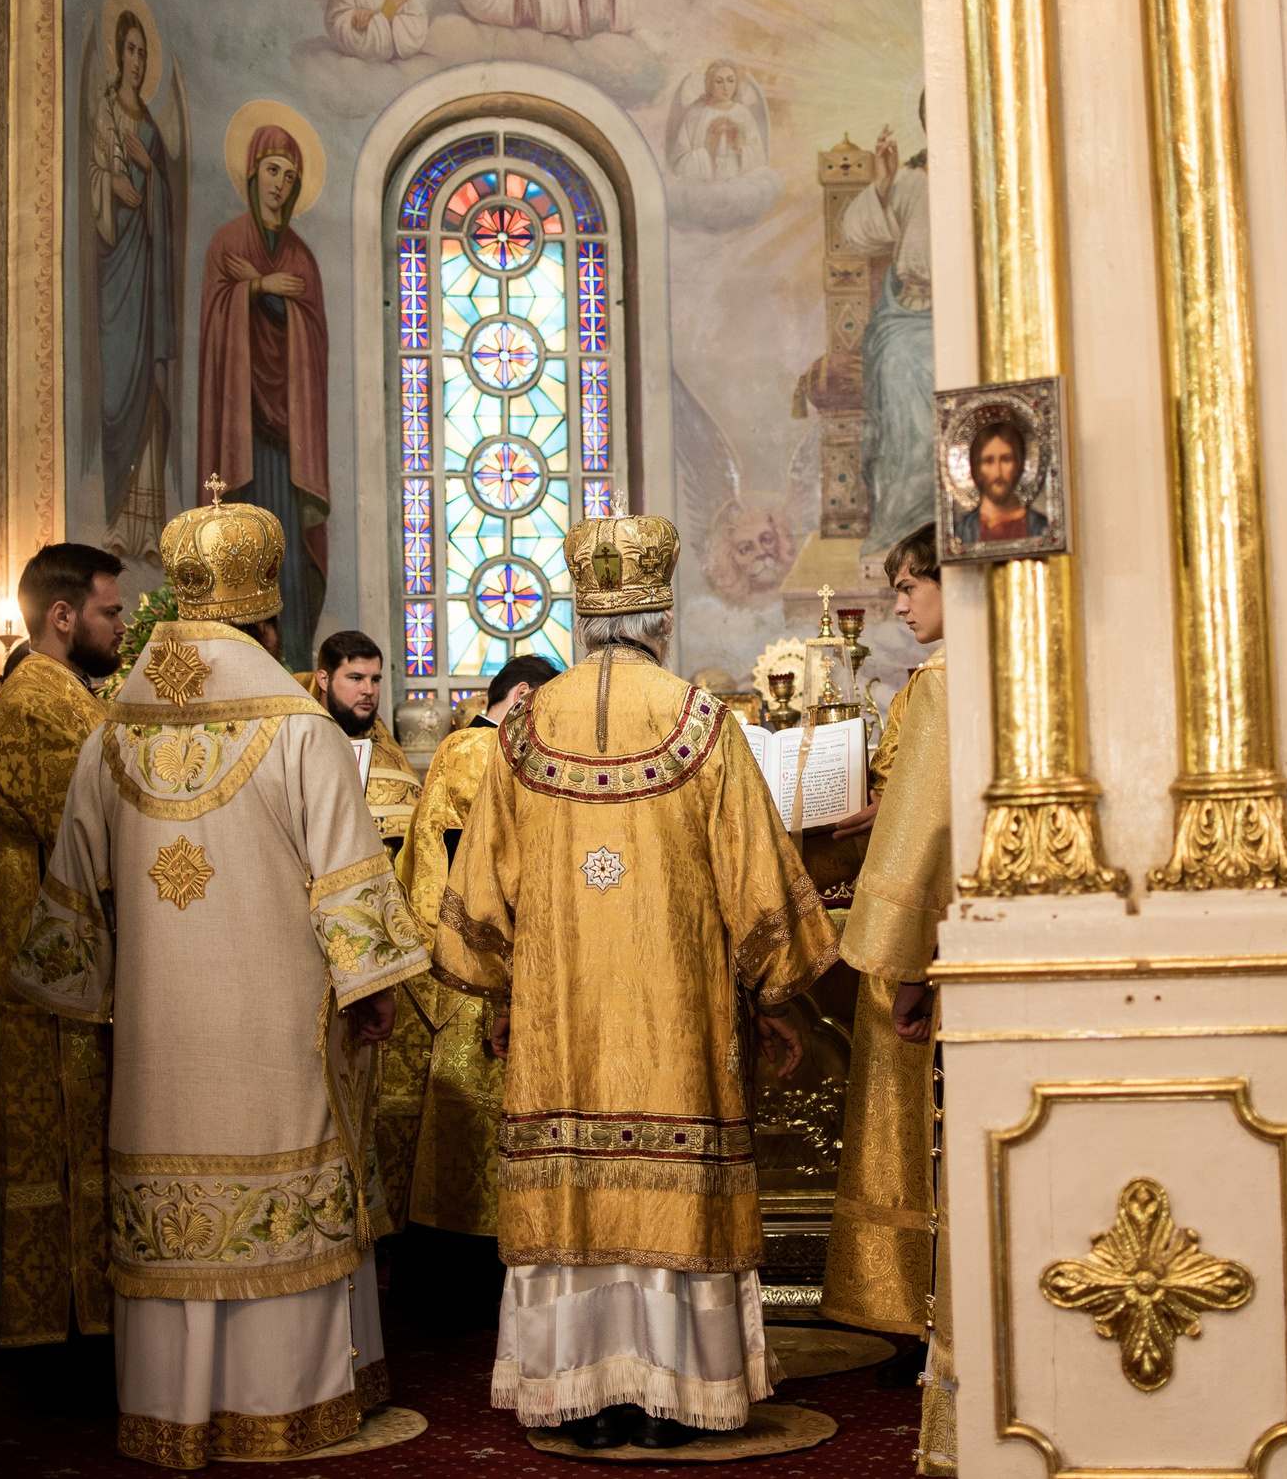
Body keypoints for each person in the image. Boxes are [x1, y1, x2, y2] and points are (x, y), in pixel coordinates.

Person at [10, 489, 428, 1466]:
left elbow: (71, 913)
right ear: (270, 615)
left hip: (158, 1054)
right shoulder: (302, 729)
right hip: (272, 1042)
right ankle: (283, 1402)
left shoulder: (111, 733)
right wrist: (376, 996)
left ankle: (175, 1407)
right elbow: (353, 898)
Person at [437, 515, 838, 1449]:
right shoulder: (703, 721)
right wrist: (777, 996)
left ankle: (582, 1390)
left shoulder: (526, 725)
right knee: (672, 1207)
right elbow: (758, 884)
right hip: (678, 1035)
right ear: (660, 614)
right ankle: (671, 1398)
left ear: (585, 617)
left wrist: (502, 996)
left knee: (577, 1202)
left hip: (562, 1035)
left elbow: (481, 893)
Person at [0, 544, 126, 1365]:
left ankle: (88, 1325)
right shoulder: (40, 704)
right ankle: (66, 1339)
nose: (122, 623)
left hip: (69, 961)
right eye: (110, 610)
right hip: (49, 967)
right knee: (59, 1140)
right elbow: (97, 830)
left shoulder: (68, 696)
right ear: (63, 616)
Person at [820, 526, 956, 1473]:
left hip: (938, 944)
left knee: (916, 1128)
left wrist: (899, 958)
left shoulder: (947, 684)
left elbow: (924, 829)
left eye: (912, 586)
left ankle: (920, 1312)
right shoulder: (999, 671)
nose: (902, 604)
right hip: (995, 934)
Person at [375, 655, 560, 1253]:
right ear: (526, 697)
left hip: (463, 944)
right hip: (482, 952)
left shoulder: (465, 748)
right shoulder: (481, 752)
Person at [200, 126, 331, 664]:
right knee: (243, 538)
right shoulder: (228, 243)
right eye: (274, 170)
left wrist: (276, 295)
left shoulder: (300, 256)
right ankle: (237, 656)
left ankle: (294, 656)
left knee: (287, 555)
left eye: (291, 176)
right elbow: (214, 324)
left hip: (289, 437)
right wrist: (254, 289)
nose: (281, 184)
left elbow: (314, 337)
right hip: (243, 427)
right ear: (253, 172)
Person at [87, 6, 182, 563]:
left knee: (148, 384)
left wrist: (149, 171)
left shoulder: (149, 123)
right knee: (119, 377)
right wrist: (113, 186)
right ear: (116, 53)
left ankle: (147, 531)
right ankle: (116, 521)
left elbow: (164, 196)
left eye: (144, 52)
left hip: (147, 267)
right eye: (130, 49)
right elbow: (99, 172)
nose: (137, 60)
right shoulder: (104, 112)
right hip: (115, 262)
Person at [840, 102, 937, 556]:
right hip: (908, 318)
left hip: (974, 318)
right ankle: (905, 525)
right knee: (901, 367)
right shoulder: (912, 178)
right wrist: (882, 182)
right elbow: (858, 234)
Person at [301, 630, 418, 850]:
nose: (369, 690)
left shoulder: (390, 756)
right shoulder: (300, 743)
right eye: (356, 678)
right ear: (324, 680)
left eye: (375, 680)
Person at [951, 415, 1050, 545]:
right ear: (977, 468)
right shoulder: (963, 532)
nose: (997, 473)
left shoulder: (1040, 528)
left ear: (1018, 464)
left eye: (1006, 459)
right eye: (988, 461)